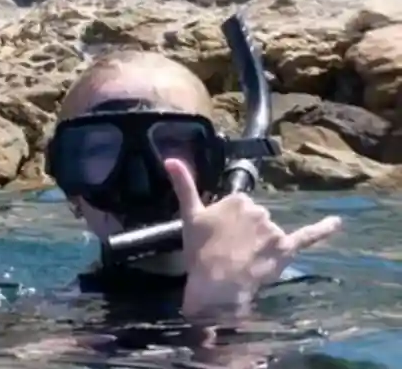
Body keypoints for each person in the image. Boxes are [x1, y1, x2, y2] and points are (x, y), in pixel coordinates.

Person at [45, 50, 341, 316]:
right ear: (71, 189)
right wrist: (218, 312)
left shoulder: (306, 303)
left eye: (172, 141)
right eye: (101, 148)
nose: (140, 179)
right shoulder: (53, 327)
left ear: (214, 167)